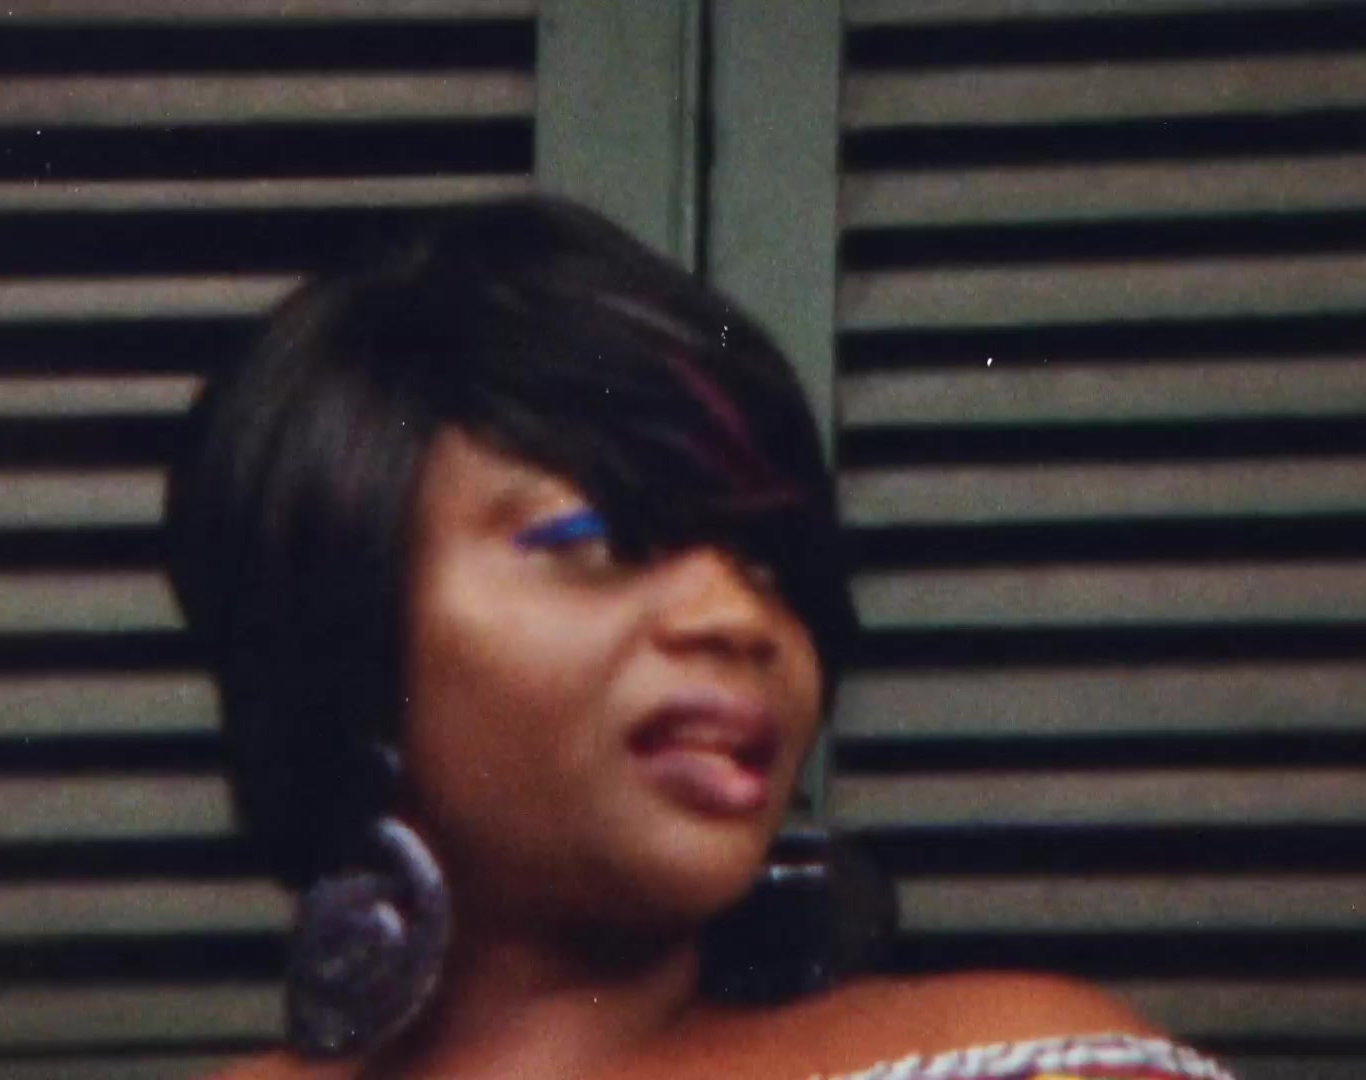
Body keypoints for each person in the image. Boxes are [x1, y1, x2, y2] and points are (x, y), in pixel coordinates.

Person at [165, 196, 1237, 1080]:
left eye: (773, 565)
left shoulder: (1026, 1063)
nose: (741, 619)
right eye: (599, 540)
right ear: (339, 626)